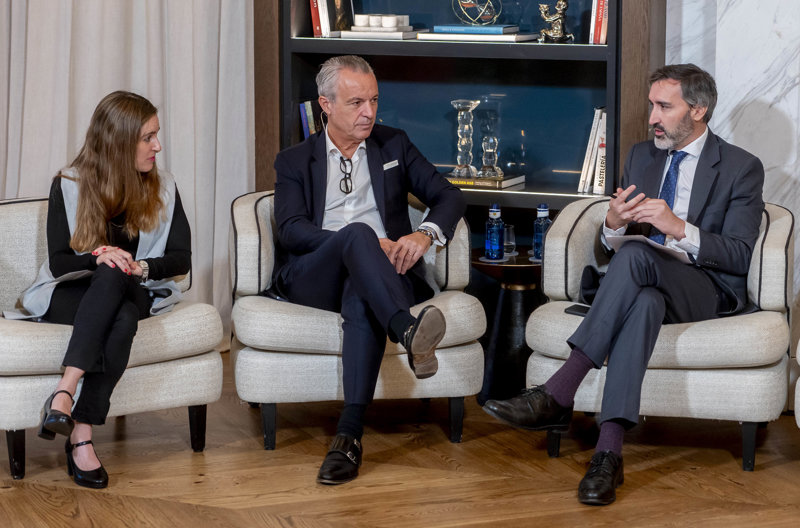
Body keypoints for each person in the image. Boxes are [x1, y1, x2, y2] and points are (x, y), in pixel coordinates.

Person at [484, 64, 764, 506]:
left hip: (705, 287)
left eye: (664, 107)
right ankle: (607, 455)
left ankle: (558, 392)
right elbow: (616, 243)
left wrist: (678, 228)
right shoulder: (641, 157)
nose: (652, 118)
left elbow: (740, 255)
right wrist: (612, 224)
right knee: (645, 301)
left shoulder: (740, 167)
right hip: (644, 284)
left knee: (636, 258)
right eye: (652, 105)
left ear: (698, 110)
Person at [272, 55, 465, 485]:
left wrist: (425, 235)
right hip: (315, 275)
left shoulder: (393, 144)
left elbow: (448, 195)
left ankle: (348, 437)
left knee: (361, 297)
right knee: (359, 233)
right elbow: (291, 230)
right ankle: (408, 329)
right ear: (325, 104)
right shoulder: (294, 161)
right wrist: (355, 242)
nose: (369, 112)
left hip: (382, 277)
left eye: (374, 100)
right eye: (356, 102)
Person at [9, 91, 191, 489]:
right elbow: (60, 262)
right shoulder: (69, 184)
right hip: (74, 292)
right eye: (148, 137)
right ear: (119, 142)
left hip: (136, 287)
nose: (158, 146)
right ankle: (81, 435)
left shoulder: (164, 186)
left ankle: (65, 394)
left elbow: (181, 258)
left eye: (156, 135)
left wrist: (140, 266)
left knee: (118, 280)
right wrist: (98, 256)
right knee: (117, 301)